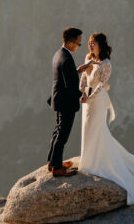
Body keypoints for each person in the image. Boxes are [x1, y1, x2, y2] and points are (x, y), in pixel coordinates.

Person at [78, 32, 134, 204]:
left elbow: (101, 85)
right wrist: (82, 93)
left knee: (97, 130)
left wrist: (89, 97)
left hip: (98, 100)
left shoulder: (106, 63)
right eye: (89, 43)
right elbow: (83, 78)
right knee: (87, 129)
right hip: (87, 100)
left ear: (101, 45)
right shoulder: (88, 58)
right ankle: (88, 159)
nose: (90, 45)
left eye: (93, 43)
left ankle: (97, 163)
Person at [46, 26, 85, 176]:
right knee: (62, 135)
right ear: (70, 42)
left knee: (57, 131)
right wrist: (83, 95)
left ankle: (52, 162)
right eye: (78, 43)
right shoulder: (67, 58)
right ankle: (57, 169)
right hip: (66, 102)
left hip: (59, 99)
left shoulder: (59, 54)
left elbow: (65, 76)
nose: (79, 46)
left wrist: (77, 71)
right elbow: (69, 86)